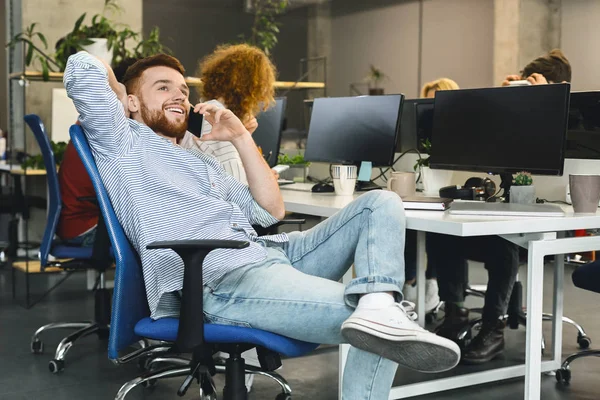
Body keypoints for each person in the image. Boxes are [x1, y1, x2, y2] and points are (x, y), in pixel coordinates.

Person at [64, 51, 460, 399]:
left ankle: (378, 302)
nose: (180, 96)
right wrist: (117, 95)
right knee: (380, 324)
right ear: (131, 102)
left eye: (184, 89)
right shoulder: (122, 140)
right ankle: (380, 310)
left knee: (380, 203)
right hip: (219, 278)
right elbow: (81, 67)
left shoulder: (198, 159)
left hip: (270, 255)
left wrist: (238, 137)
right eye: (163, 88)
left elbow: (269, 211)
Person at [434, 49, 572, 365]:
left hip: (544, 228)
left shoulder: (569, 119)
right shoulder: (516, 118)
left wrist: (545, 101)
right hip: (508, 212)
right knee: (445, 234)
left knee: (504, 244)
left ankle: (493, 328)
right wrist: (502, 100)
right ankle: (455, 313)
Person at [402, 78, 461, 313]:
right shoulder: (420, 142)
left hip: (454, 198)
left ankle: (432, 283)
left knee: (437, 230)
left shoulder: (464, 138)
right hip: (428, 192)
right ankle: (410, 282)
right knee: (404, 221)